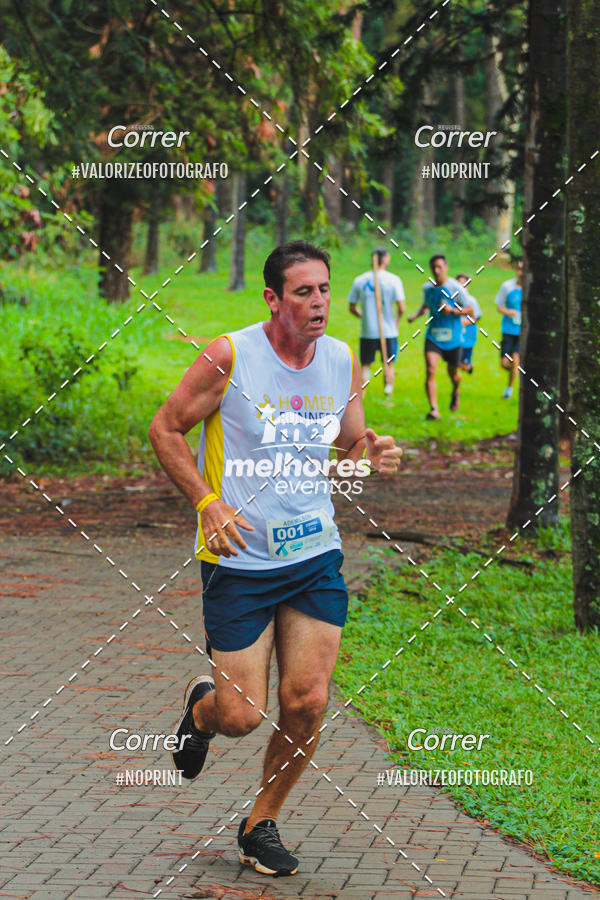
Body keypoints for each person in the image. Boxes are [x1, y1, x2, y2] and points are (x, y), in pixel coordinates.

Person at [148, 240, 402, 878]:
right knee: (242, 715)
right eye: (303, 292)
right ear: (273, 298)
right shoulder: (230, 356)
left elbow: (348, 448)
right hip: (239, 558)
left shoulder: (341, 359)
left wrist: (371, 454)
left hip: (314, 552)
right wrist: (206, 501)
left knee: (308, 700)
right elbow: (165, 428)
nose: (318, 303)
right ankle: (203, 710)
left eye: (323, 290)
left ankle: (260, 822)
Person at [408, 254, 473, 420]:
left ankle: (456, 390)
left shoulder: (456, 288)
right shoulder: (428, 288)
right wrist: (415, 316)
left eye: (439, 267)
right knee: (430, 369)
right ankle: (434, 409)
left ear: (446, 267)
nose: (436, 271)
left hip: (453, 338)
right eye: (433, 268)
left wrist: (451, 310)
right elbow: (426, 305)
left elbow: (470, 309)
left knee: (453, 374)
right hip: (434, 336)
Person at [348, 247, 405, 395]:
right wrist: (396, 322)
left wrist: (364, 316)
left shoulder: (359, 280)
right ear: (385, 259)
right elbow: (402, 307)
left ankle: (363, 392)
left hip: (368, 330)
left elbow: (352, 307)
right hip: (389, 331)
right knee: (389, 362)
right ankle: (388, 389)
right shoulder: (393, 279)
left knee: (366, 365)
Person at [494, 258, 523, 398]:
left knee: (515, 359)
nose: (520, 272)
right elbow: (499, 306)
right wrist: (508, 312)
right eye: (518, 269)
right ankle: (516, 371)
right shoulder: (507, 286)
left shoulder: (532, 288)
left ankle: (509, 390)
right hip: (508, 329)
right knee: (505, 363)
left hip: (523, 332)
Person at [455, 273, 482, 374]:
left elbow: (477, 317)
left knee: (464, 365)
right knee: (455, 361)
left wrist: (465, 322)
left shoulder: (471, 301)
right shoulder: (452, 300)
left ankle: (469, 367)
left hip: (467, 335)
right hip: (455, 335)